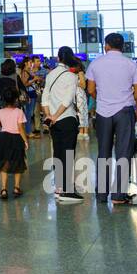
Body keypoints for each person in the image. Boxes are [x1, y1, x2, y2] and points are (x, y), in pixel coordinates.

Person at [86, 33, 137, 204]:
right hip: (125, 111)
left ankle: (102, 195)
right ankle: (118, 196)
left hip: (103, 112)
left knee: (103, 152)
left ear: (106, 45)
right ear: (123, 46)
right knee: (123, 152)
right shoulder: (131, 64)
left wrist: (101, 99)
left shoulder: (96, 63)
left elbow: (90, 90)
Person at [42, 46, 85, 202]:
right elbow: (67, 101)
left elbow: (45, 97)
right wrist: (56, 116)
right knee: (68, 154)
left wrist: (49, 116)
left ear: (58, 58)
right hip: (66, 119)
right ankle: (67, 190)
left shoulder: (50, 74)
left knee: (58, 154)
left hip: (53, 122)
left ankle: (59, 188)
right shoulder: (71, 76)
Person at [0, 88, 28, 200]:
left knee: (4, 163)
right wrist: (25, 141)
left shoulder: (0, 112)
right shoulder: (19, 112)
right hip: (16, 139)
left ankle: (3, 189)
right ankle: (16, 188)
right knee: (18, 163)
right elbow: (21, 128)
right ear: (15, 100)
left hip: (4, 139)